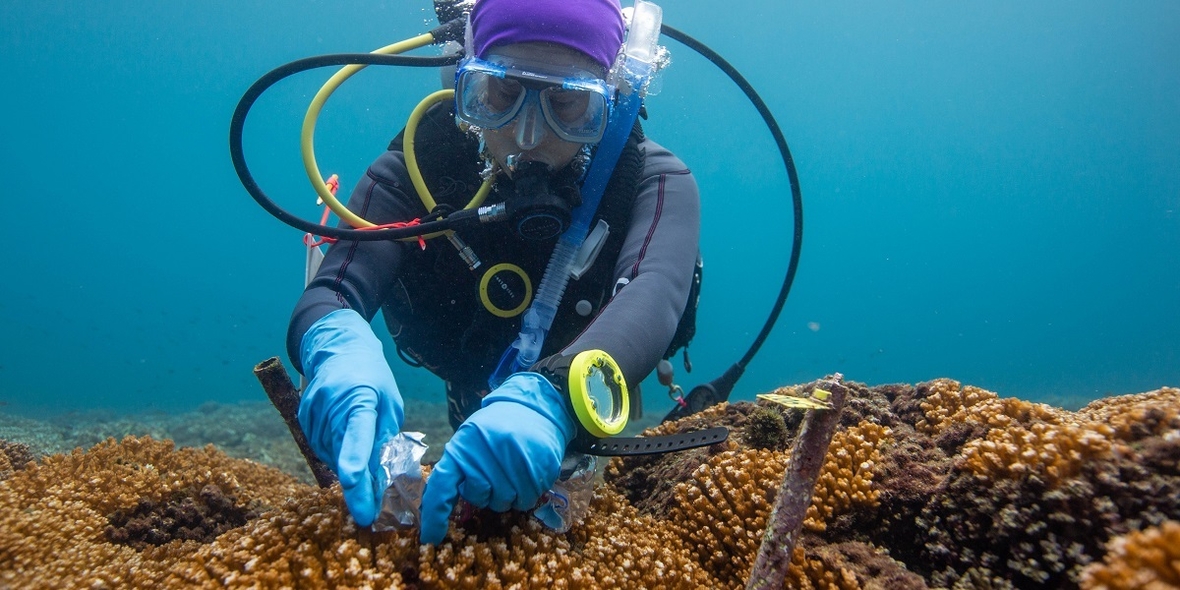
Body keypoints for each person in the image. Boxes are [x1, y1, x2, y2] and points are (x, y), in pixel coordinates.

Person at [287, 0, 699, 545]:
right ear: (466, 88)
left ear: (613, 102)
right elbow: (336, 288)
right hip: (468, 378)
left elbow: (657, 291)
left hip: (580, 406)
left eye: (568, 103)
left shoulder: (650, 181)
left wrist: (555, 398)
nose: (529, 135)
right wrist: (335, 347)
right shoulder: (420, 165)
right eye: (501, 94)